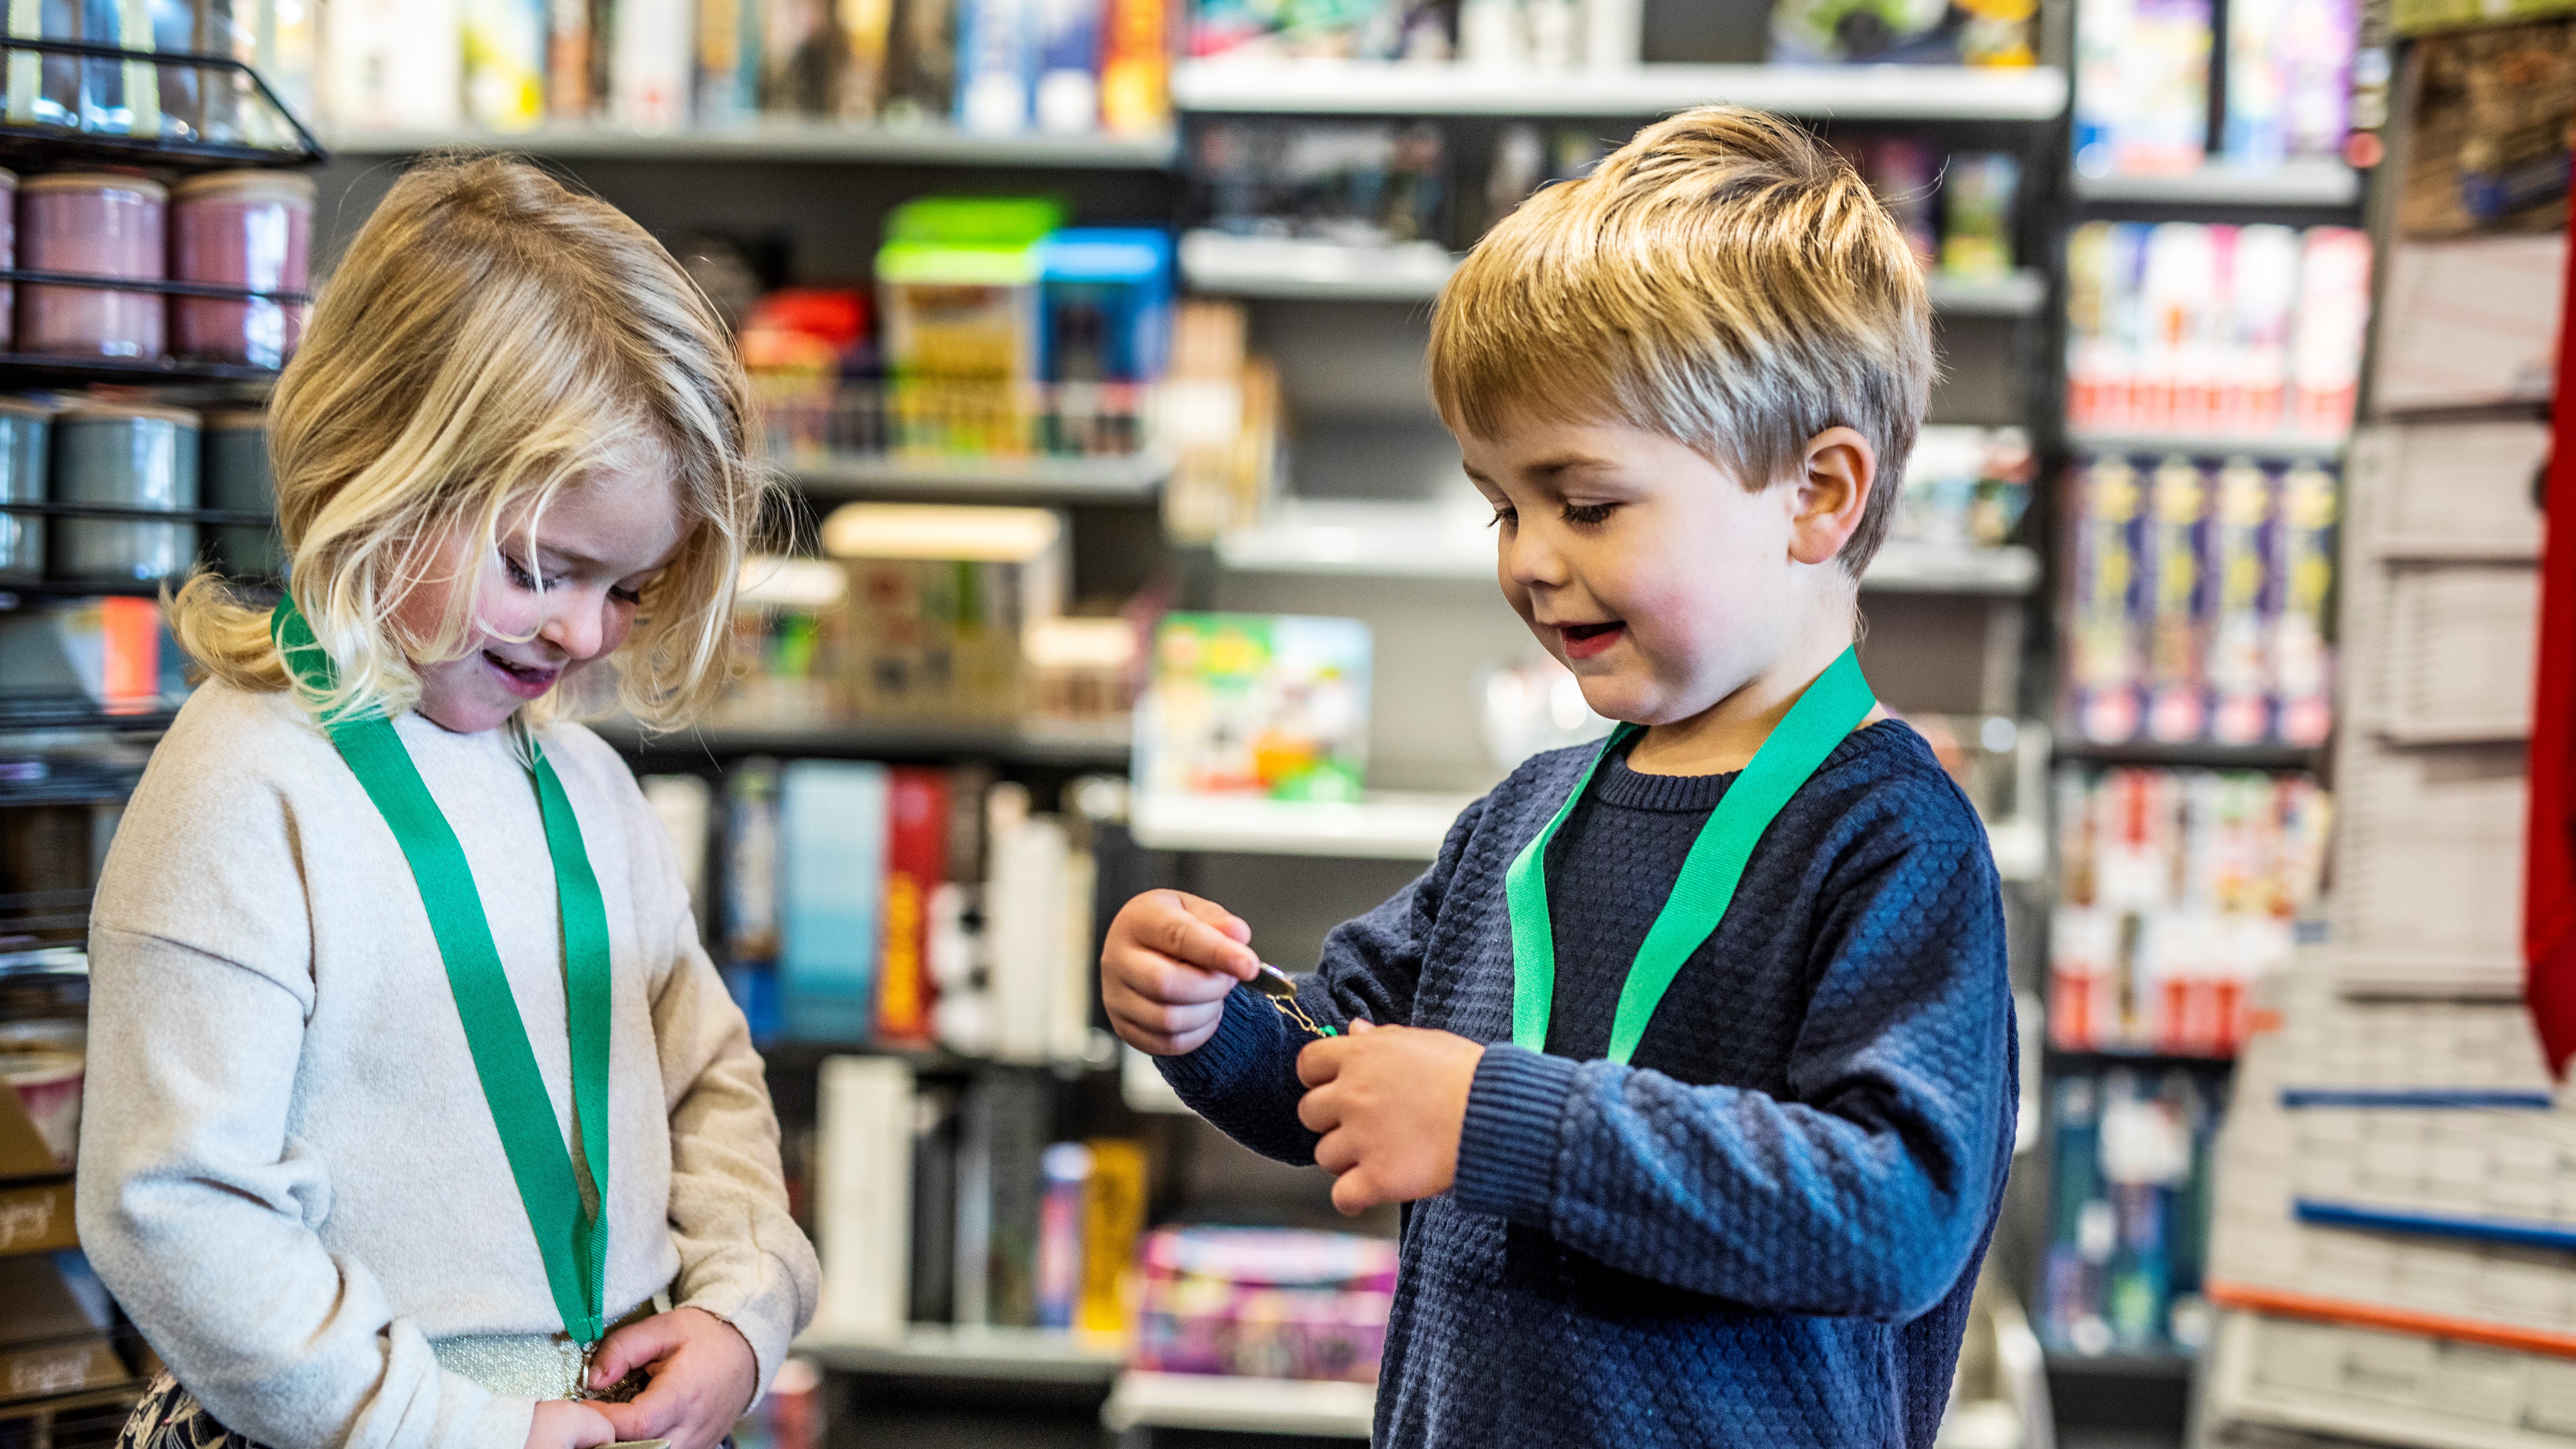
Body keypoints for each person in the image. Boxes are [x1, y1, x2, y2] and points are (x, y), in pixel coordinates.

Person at [1102, 106, 2015, 1449]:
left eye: (1586, 504)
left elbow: (1897, 1209)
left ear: (1818, 495)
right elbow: (1341, 1076)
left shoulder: (1889, 841)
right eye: (1501, 505)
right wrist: (1206, 1022)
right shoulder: (1524, 820)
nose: (1530, 556)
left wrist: (1497, 1119)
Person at [78, 155, 818, 1449]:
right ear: (382, 466)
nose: (585, 631)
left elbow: (708, 1080)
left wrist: (743, 1314)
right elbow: (175, 1204)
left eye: (630, 589)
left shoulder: (583, 787)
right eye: (541, 567)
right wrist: (447, 1427)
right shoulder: (244, 785)